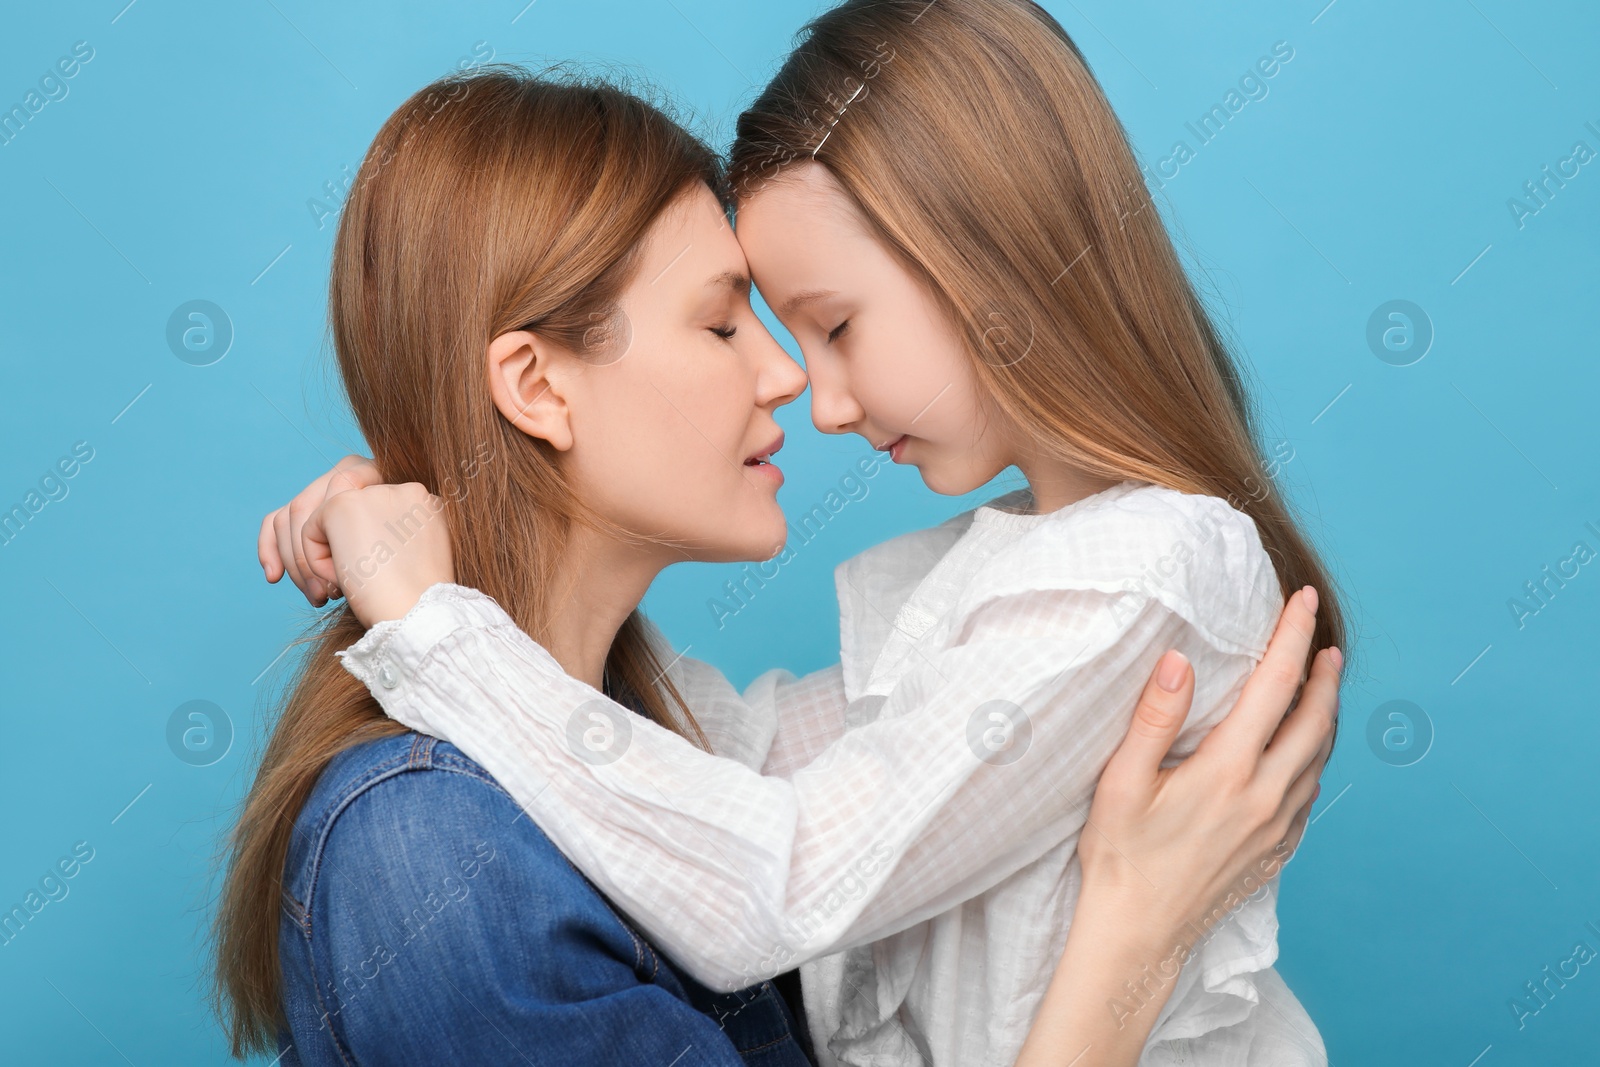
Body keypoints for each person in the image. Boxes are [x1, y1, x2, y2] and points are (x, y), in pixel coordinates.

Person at [257, 3, 1344, 1061]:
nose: (800, 388)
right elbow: (743, 769)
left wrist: (437, 625)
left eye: (828, 324)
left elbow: (773, 856)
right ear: (535, 385)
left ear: (988, 261)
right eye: (728, 322)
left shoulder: (1136, 576)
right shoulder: (430, 854)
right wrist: (423, 525)